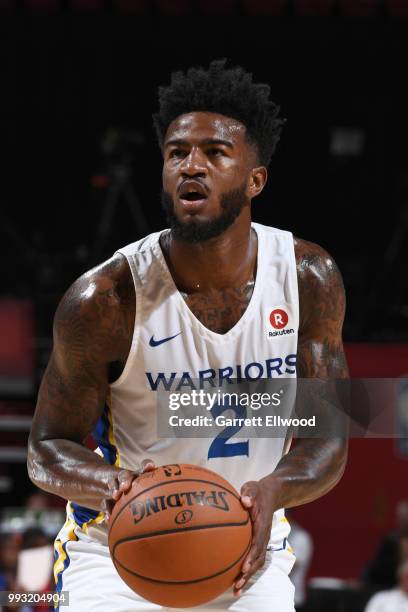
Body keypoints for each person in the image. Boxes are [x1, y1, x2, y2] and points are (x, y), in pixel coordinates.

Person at [27, 59, 349, 611]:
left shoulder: (307, 279)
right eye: (177, 153)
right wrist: (114, 485)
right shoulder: (103, 300)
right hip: (119, 550)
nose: (191, 166)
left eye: (215, 153)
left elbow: (329, 439)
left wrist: (273, 491)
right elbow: (45, 447)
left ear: (255, 178)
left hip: (247, 549)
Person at [364, 500, 408, 590]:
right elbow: (376, 569)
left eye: (405, 518)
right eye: (401, 518)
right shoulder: (390, 541)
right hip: (389, 587)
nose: (403, 522)